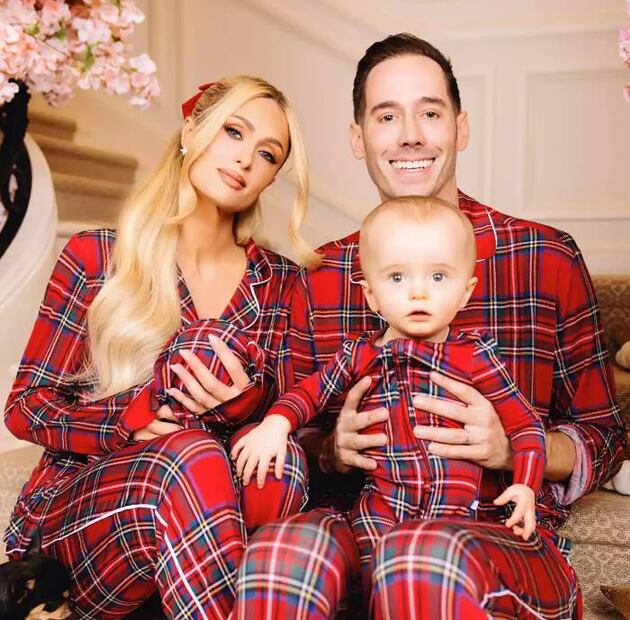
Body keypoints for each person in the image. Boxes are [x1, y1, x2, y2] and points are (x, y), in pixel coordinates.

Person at [232, 34, 626, 620]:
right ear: (358, 138)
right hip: (366, 523)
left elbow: (605, 435)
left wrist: (514, 448)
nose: (410, 134)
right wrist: (331, 450)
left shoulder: (544, 257)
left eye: (431, 113)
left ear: (460, 128)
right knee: (281, 555)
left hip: (492, 535)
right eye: (387, 116)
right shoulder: (320, 276)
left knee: (418, 557)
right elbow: (293, 430)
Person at [3, 75, 318, 619]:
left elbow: (298, 421)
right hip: (84, 519)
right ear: (191, 129)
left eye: (268, 153)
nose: (245, 159)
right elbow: (26, 408)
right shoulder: (98, 256)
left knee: (279, 463)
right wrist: (130, 419)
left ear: (272, 176)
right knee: (188, 457)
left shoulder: (282, 284)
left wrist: (246, 406)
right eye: (234, 132)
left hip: (211, 527)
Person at [233, 196, 546, 588]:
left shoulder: (476, 357)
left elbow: (526, 427)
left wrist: (526, 483)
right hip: (380, 507)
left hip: (454, 516)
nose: (418, 293)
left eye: (438, 277)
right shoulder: (360, 355)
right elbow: (308, 394)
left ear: (466, 292)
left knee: (435, 575)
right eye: (397, 278)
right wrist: (275, 424)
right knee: (372, 576)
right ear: (371, 296)